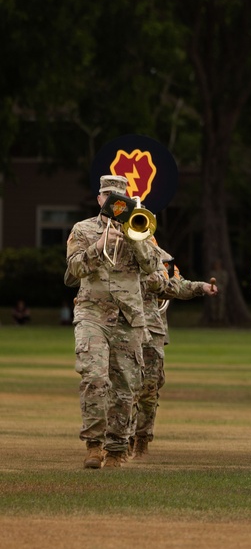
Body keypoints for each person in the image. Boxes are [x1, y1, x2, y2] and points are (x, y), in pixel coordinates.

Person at [65, 175, 161, 469]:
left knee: (125, 387)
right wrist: (101, 243)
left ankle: (116, 449)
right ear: (99, 199)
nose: (114, 203)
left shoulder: (141, 228)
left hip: (128, 318)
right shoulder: (83, 229)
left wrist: (136, 238)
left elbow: (153, 269)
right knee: (94, 377)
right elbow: (73, 269)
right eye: (108, 197)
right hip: (92, 314)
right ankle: (94, 445)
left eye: (120, 199)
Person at [132, 247, 219, 458]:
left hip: (151, 331)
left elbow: (175, 285)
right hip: (120, 326)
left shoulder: (159, 255)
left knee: (149, 389)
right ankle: (119, 438)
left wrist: (201, 287)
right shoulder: (112, 249)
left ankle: (141, 438)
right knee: (120, 387)